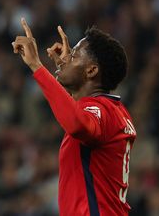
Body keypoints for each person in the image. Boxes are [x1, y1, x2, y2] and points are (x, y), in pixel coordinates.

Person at [12, 18, 137, 216]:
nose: (65, 58)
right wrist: (69, 74)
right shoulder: (114, 109)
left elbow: (78, 125)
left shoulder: (101, 110)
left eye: (74, 55)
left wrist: (37, 66)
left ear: (92, 70)